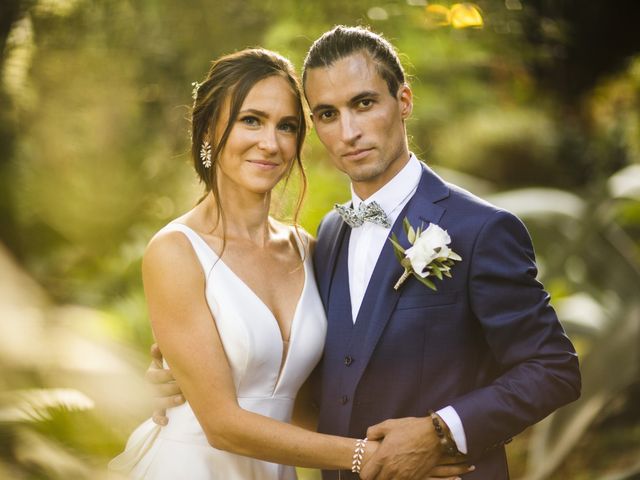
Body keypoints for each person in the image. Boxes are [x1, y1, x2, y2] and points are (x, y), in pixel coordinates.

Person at [148, 26, 581, 480]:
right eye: (328, 115)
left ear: (404, 102)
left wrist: (440, 432)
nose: (349, 132)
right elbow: (298, 375)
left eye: (364, 103)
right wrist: (180, 373)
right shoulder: (328, 239)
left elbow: (553, 368)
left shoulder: (481, 229)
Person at [110, 47, 471, 480]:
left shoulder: (310, 247)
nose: (271, 142)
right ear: (208, 130)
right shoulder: (175, 250)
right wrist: (369, 457)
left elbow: (312, 400)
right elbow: (222, 424)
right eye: (251, 120)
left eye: (287, 126)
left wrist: (419, 440)